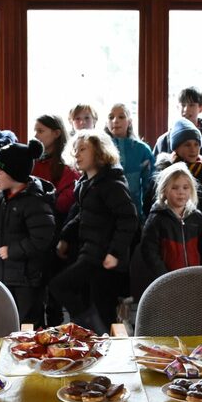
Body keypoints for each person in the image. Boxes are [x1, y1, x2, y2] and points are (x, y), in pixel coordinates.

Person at [50, 130, 139, 335]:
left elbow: (129, 218)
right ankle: (92, 333)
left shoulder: (111, 183)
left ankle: (94, 331)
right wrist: (65, 237)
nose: (77, 154)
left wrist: (115, 252)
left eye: (83, 149)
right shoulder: (85, 183)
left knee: (64, 287)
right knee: (93, 302)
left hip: (103, 256)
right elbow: (82, 215)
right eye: (75, 150)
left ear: (99, 152)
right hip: (89, 252)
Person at [0, 141, 57, 327]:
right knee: (10, 321)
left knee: (28, 323)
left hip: (28, 278)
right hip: (9, 273)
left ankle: (32, 355)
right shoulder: (5, 196)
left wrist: (12, 251)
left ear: (14, 173)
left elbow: (42, 238)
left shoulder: (34, 202)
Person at [31, 114, 81, 326]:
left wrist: (44, 200)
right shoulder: (34, 161)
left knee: (54, 286)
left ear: (56, 133)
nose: (36, 135)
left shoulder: (68, 163)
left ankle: (55, 326)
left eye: (41, 131)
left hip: (60, 228)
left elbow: (65, 201)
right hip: (36, 228)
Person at [140, 162, 202, 283]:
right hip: (166, 281)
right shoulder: (157, 219)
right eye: (175, 188)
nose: (181, 192)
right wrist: (164, 277)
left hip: (196, 279)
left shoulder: (198, 218)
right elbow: (149, 251)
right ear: (164, 191)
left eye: (185, 187)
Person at [155, 119, 202, 237]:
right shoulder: (165, 170)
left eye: (196, 144)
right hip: (170, 233)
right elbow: (153, 201)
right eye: (187, 145)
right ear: (176, 148)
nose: (193, 149)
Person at [152, 87, 202, 169]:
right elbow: (154, 174)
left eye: (191, 105)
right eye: (183, 105)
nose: (186, 109)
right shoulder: (164, 140)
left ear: (201, 108)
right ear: (177, 107)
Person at [105, 103, 155, 222]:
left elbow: (149, 186)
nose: (115, 121)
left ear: (130, 121)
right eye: (111, 117)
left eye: (121, 117)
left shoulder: (142, 150)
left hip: (135, 213)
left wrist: (145, 216)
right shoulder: (100, 150)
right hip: (105, 214)